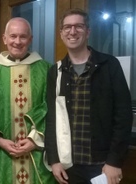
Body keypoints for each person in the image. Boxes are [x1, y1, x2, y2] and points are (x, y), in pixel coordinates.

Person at [45, 8, 133, 184]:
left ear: (88, 31)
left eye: (79, 26)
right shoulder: (56, 72)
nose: (73, 31)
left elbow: (123, 116)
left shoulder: (109, 65)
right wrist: (54, 159)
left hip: (102, 166)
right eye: (67, 27)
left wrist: (114, 161)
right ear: (61, 33)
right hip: (69, 166)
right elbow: (51, 119)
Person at [0, 17, 56, 184]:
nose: (17, 41)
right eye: (13, 36)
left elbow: (52, 108)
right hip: (2, 154)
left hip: (36, 153)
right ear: (4, 39)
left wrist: (34, 139)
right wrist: (0, 140)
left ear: (30, 39)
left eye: (23, 36)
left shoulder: (46, 69)